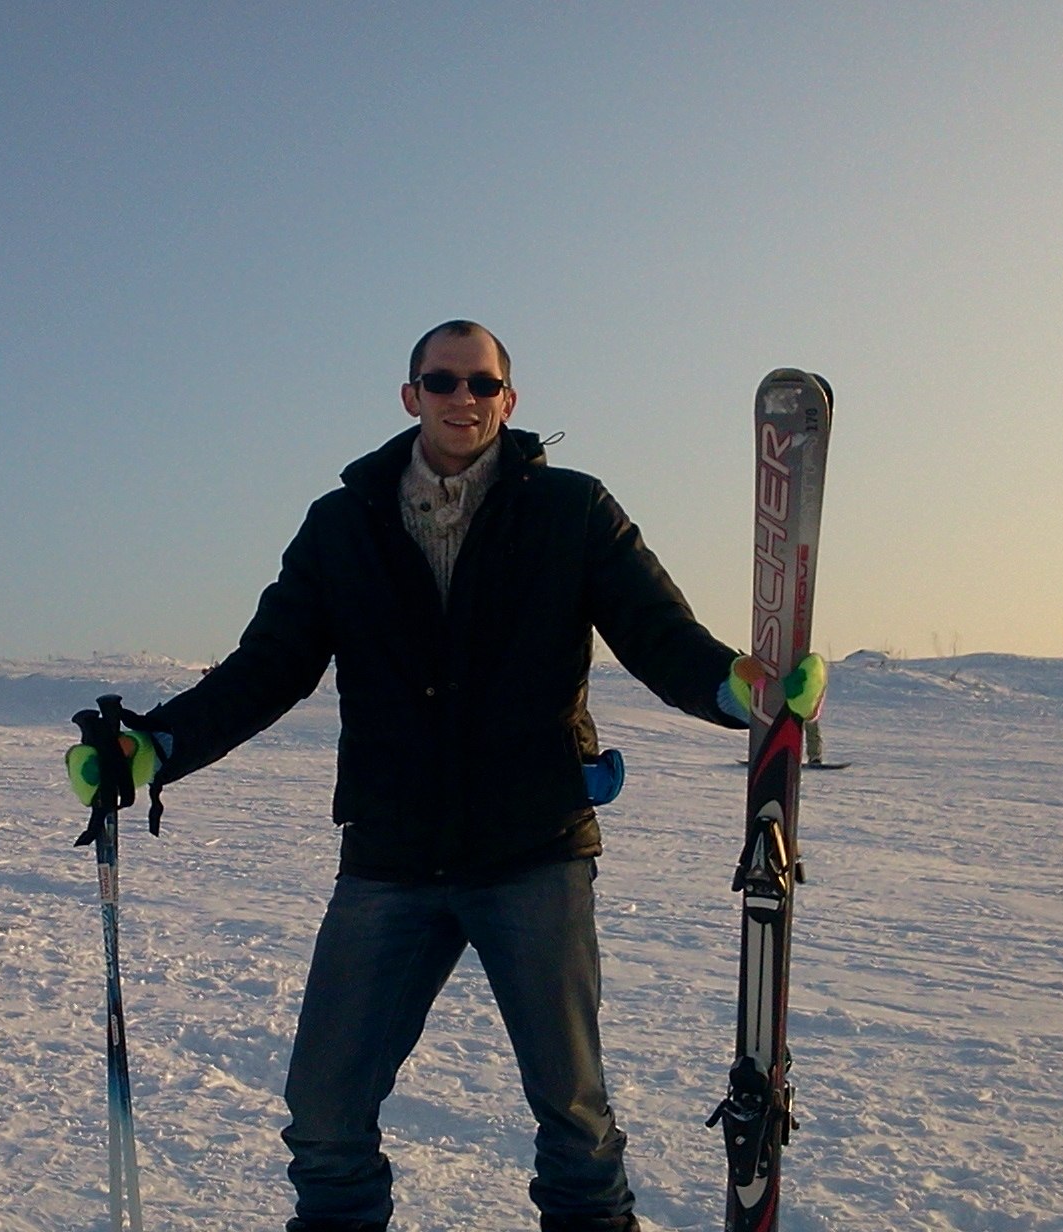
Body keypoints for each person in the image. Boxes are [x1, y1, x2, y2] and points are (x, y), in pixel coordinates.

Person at [102, 320, 780, 1232]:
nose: (463, 398)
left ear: (509, 399)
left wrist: (735, 690)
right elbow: (267, 666)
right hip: (390, 856)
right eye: (443, 381)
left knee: (573, 1116)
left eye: (481, 383)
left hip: (533, 848)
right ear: (410, 395)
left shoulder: (573, 510)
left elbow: (659, 634)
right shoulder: (343, 524)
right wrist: (159, 745)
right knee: (325, 1111)